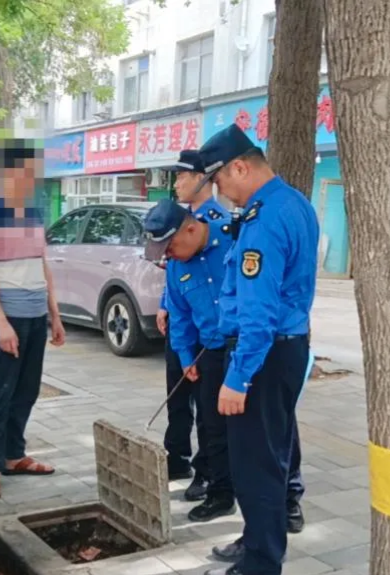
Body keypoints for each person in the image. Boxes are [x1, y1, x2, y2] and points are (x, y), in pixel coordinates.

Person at [198, 124, 319, 575]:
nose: (219, 190)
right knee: (270, 455)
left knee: (255, 465)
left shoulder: (264, 220)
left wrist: (238, 377)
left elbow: (258, 314)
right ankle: (257, 541)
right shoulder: (294, 203)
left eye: (219, 179)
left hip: (262, 355)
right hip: (284, 348)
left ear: (240, 167)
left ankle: (261, 564)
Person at [0, 138, 66, 502]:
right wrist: (0, 322)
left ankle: (13, 456)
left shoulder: (34, 213)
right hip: (7, 318)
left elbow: (43, 266)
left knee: (26, 390)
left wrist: (55, 314)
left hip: (36, 316)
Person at [145, 199, 236, 523]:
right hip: (209, 349)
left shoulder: (234, 239)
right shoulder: (176, 266)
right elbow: (180, 316)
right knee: (213, 426)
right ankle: (221, 494)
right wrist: (185, 357)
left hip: (246, 346)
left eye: (169, 247)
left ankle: (284, 497)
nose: (167, 256)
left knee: (257, 427)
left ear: (191, 229)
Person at [156, 150, 230, 502]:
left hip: (224, 339)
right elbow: (176, 281)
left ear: (203, 178)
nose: (177, 184)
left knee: (212, 413)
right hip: (191, 328)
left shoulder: (223, 227)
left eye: (183, 177)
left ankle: (211, 473)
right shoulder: (176, 229)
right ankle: (180, 458)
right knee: (179, 395)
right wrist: (164, 305)